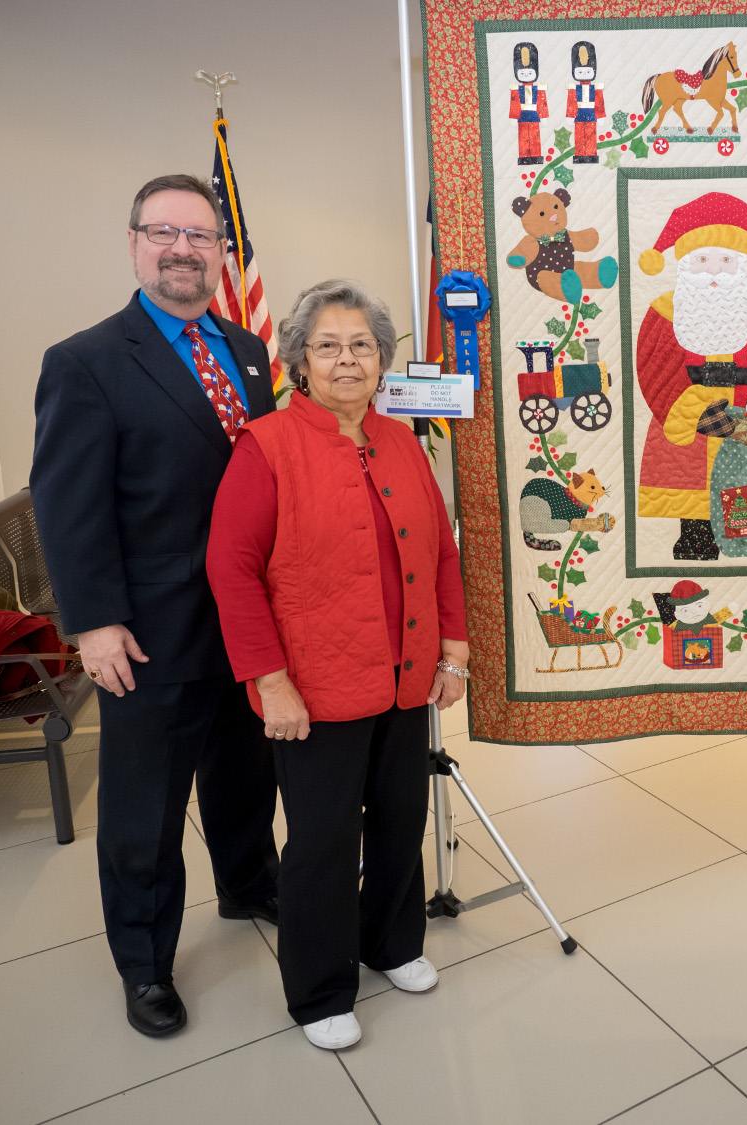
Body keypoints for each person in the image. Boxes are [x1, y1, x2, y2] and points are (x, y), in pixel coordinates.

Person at [30, 174, 281, 1037]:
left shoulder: (249, 352)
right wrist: (93, 622)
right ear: (134, 241)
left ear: (222, 250)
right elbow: (68, 503)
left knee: (246, 775)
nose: (183, 249)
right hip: (146, 633)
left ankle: (251, 884)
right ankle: (144, 962)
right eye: (164, 232)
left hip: (248, 624)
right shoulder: (85, 360)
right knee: (145, 809)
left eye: (201, 236)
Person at [206, 279, 469, 1051]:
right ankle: (320, 987)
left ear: (383, 360)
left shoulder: (400, 440)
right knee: (322, 838)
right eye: (328, 346)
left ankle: (391, 943)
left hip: (403, 672)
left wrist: (453, 649)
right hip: (314, 685)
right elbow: (232, 568)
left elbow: (441, 552)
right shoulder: (266, 447)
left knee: (400, 818)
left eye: (361, 345)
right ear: (299, 361)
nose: (347, 359)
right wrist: (268, 677)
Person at [634, 192, 747, 559]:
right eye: (701, 259)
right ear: (684, 263)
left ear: (741, 263)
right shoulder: (664, 313)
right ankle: (694, 540)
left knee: (742, 487)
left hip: (744, 415)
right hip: (685, 420)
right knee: (686, 487)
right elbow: (654, 368)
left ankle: (742, 544)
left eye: (726, 260)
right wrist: (687, 412)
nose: (714, 270)